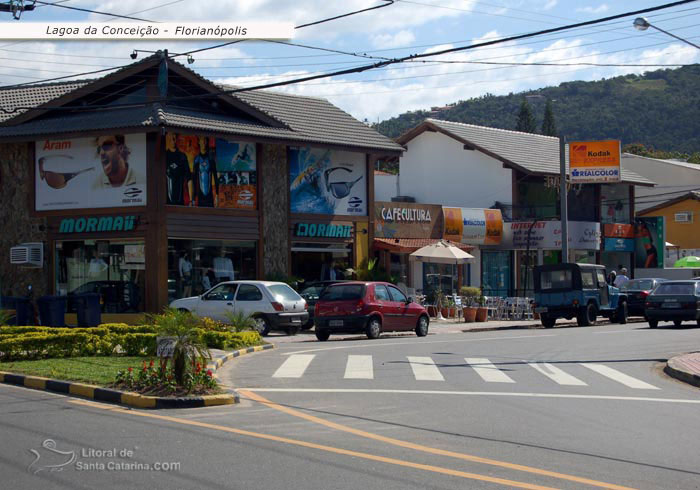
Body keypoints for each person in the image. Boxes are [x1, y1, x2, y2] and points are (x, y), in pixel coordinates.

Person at [166, 133, 193, 206]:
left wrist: (191, 200)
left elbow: (189, 179)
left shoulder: (182, 156)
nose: (173, 141)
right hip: (166, 202)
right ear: (168, 139)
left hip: (180, 201)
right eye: (171, 139)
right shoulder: (165, 156)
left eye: (174, 138)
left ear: (177, 140)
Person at [193, 136, 218, 208]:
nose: (203, 142)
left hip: (209, 195)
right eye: (202, 140)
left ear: (207, 142)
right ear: (199, 142)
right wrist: (193, 198)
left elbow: (215, 177)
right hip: (200, 195)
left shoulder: (211, 159)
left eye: (205, 140)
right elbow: (194, 179)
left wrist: (217, 195)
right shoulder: (197, 159)